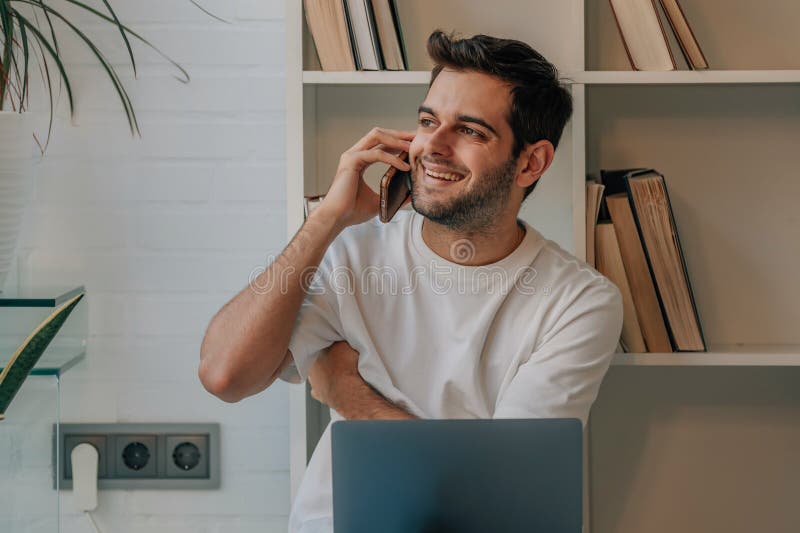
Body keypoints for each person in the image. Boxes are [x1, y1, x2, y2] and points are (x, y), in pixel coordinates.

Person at [199, 31, 623, 533]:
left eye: (470, 131)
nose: (433, 147)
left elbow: (500, 500)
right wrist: (328, 220)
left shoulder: (578, 302)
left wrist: (348, 392)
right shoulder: (351, 253)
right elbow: (225, 376)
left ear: (531, 162)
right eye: (427, 122)